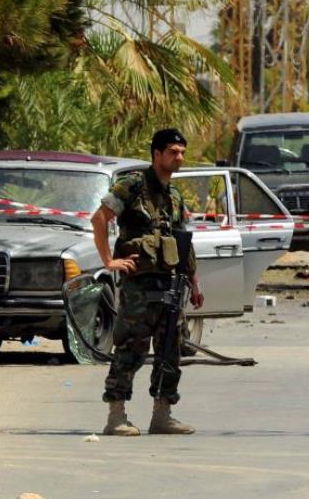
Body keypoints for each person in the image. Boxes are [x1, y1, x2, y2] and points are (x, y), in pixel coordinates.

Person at [90, 128, 204, 436]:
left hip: (170, 283)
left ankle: (162, 415)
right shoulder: (133, 185)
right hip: (138, 286)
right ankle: (116, 416)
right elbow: (99, 219)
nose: (179, 157)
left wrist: (194, 281)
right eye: (172, 152)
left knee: (171, 349)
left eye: (182, 152)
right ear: (156, 154)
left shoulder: (175, 196)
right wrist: (108, 261)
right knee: (130, 348)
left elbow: (183, 242)